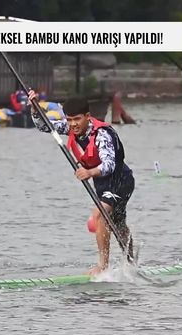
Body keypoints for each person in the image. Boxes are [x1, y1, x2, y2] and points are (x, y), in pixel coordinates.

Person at [28, 90, 135, 276]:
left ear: (87, 116)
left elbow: (109, 165)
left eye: (76, 119)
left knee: (100, 215)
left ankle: (103, 266)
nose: (72, 124)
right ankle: (132, 262)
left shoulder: (102, 134)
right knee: (118, 223)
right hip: (101, 183)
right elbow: (45, 127)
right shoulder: (71, 127)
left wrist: (89, 172)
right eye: (69, 120)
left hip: (120, 180)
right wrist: (35, 110)